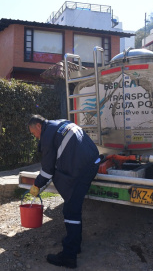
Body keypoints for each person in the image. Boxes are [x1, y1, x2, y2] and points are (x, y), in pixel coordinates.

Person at [28, 114, 100, 269]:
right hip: (94, 160)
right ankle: (75, 245)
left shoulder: (47, 136)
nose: (36, 137)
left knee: (70, 211)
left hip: (82, 169)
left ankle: (69, 256)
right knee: (73, 207)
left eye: (34, 133)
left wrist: (36, 186)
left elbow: (47, 171)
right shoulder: (60, 122)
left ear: (39, 126)